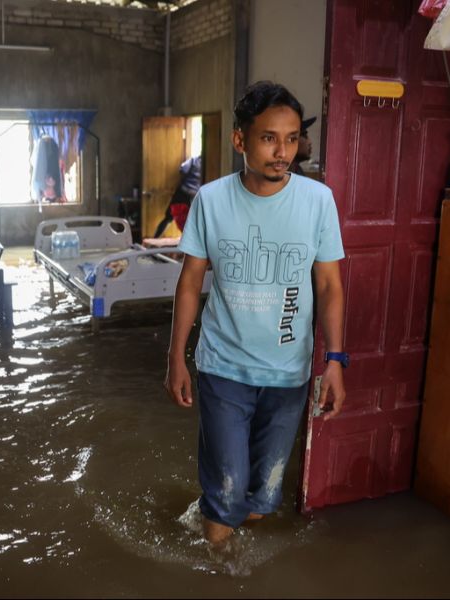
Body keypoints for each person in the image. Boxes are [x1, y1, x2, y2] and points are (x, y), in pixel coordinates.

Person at [165, 81, 348, 547]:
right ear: (240, 140)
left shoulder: (317, 202)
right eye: (268, 138)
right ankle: (217, 564)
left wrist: (335, 362)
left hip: (289, 375)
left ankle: (228, 535)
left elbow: (329, 286)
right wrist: (176, 359)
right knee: (225, 492)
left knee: (263, 497)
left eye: (291, 139)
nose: (282, 151)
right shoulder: (211, 199)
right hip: (224, 369)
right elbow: (190, 283)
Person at [152, 155, 203, 238]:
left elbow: (183, 169)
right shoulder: (210, 164)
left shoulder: (194, 160)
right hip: (196, 196)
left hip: (182, 193)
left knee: (168, 217)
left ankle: (155, 239)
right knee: (191, 222)